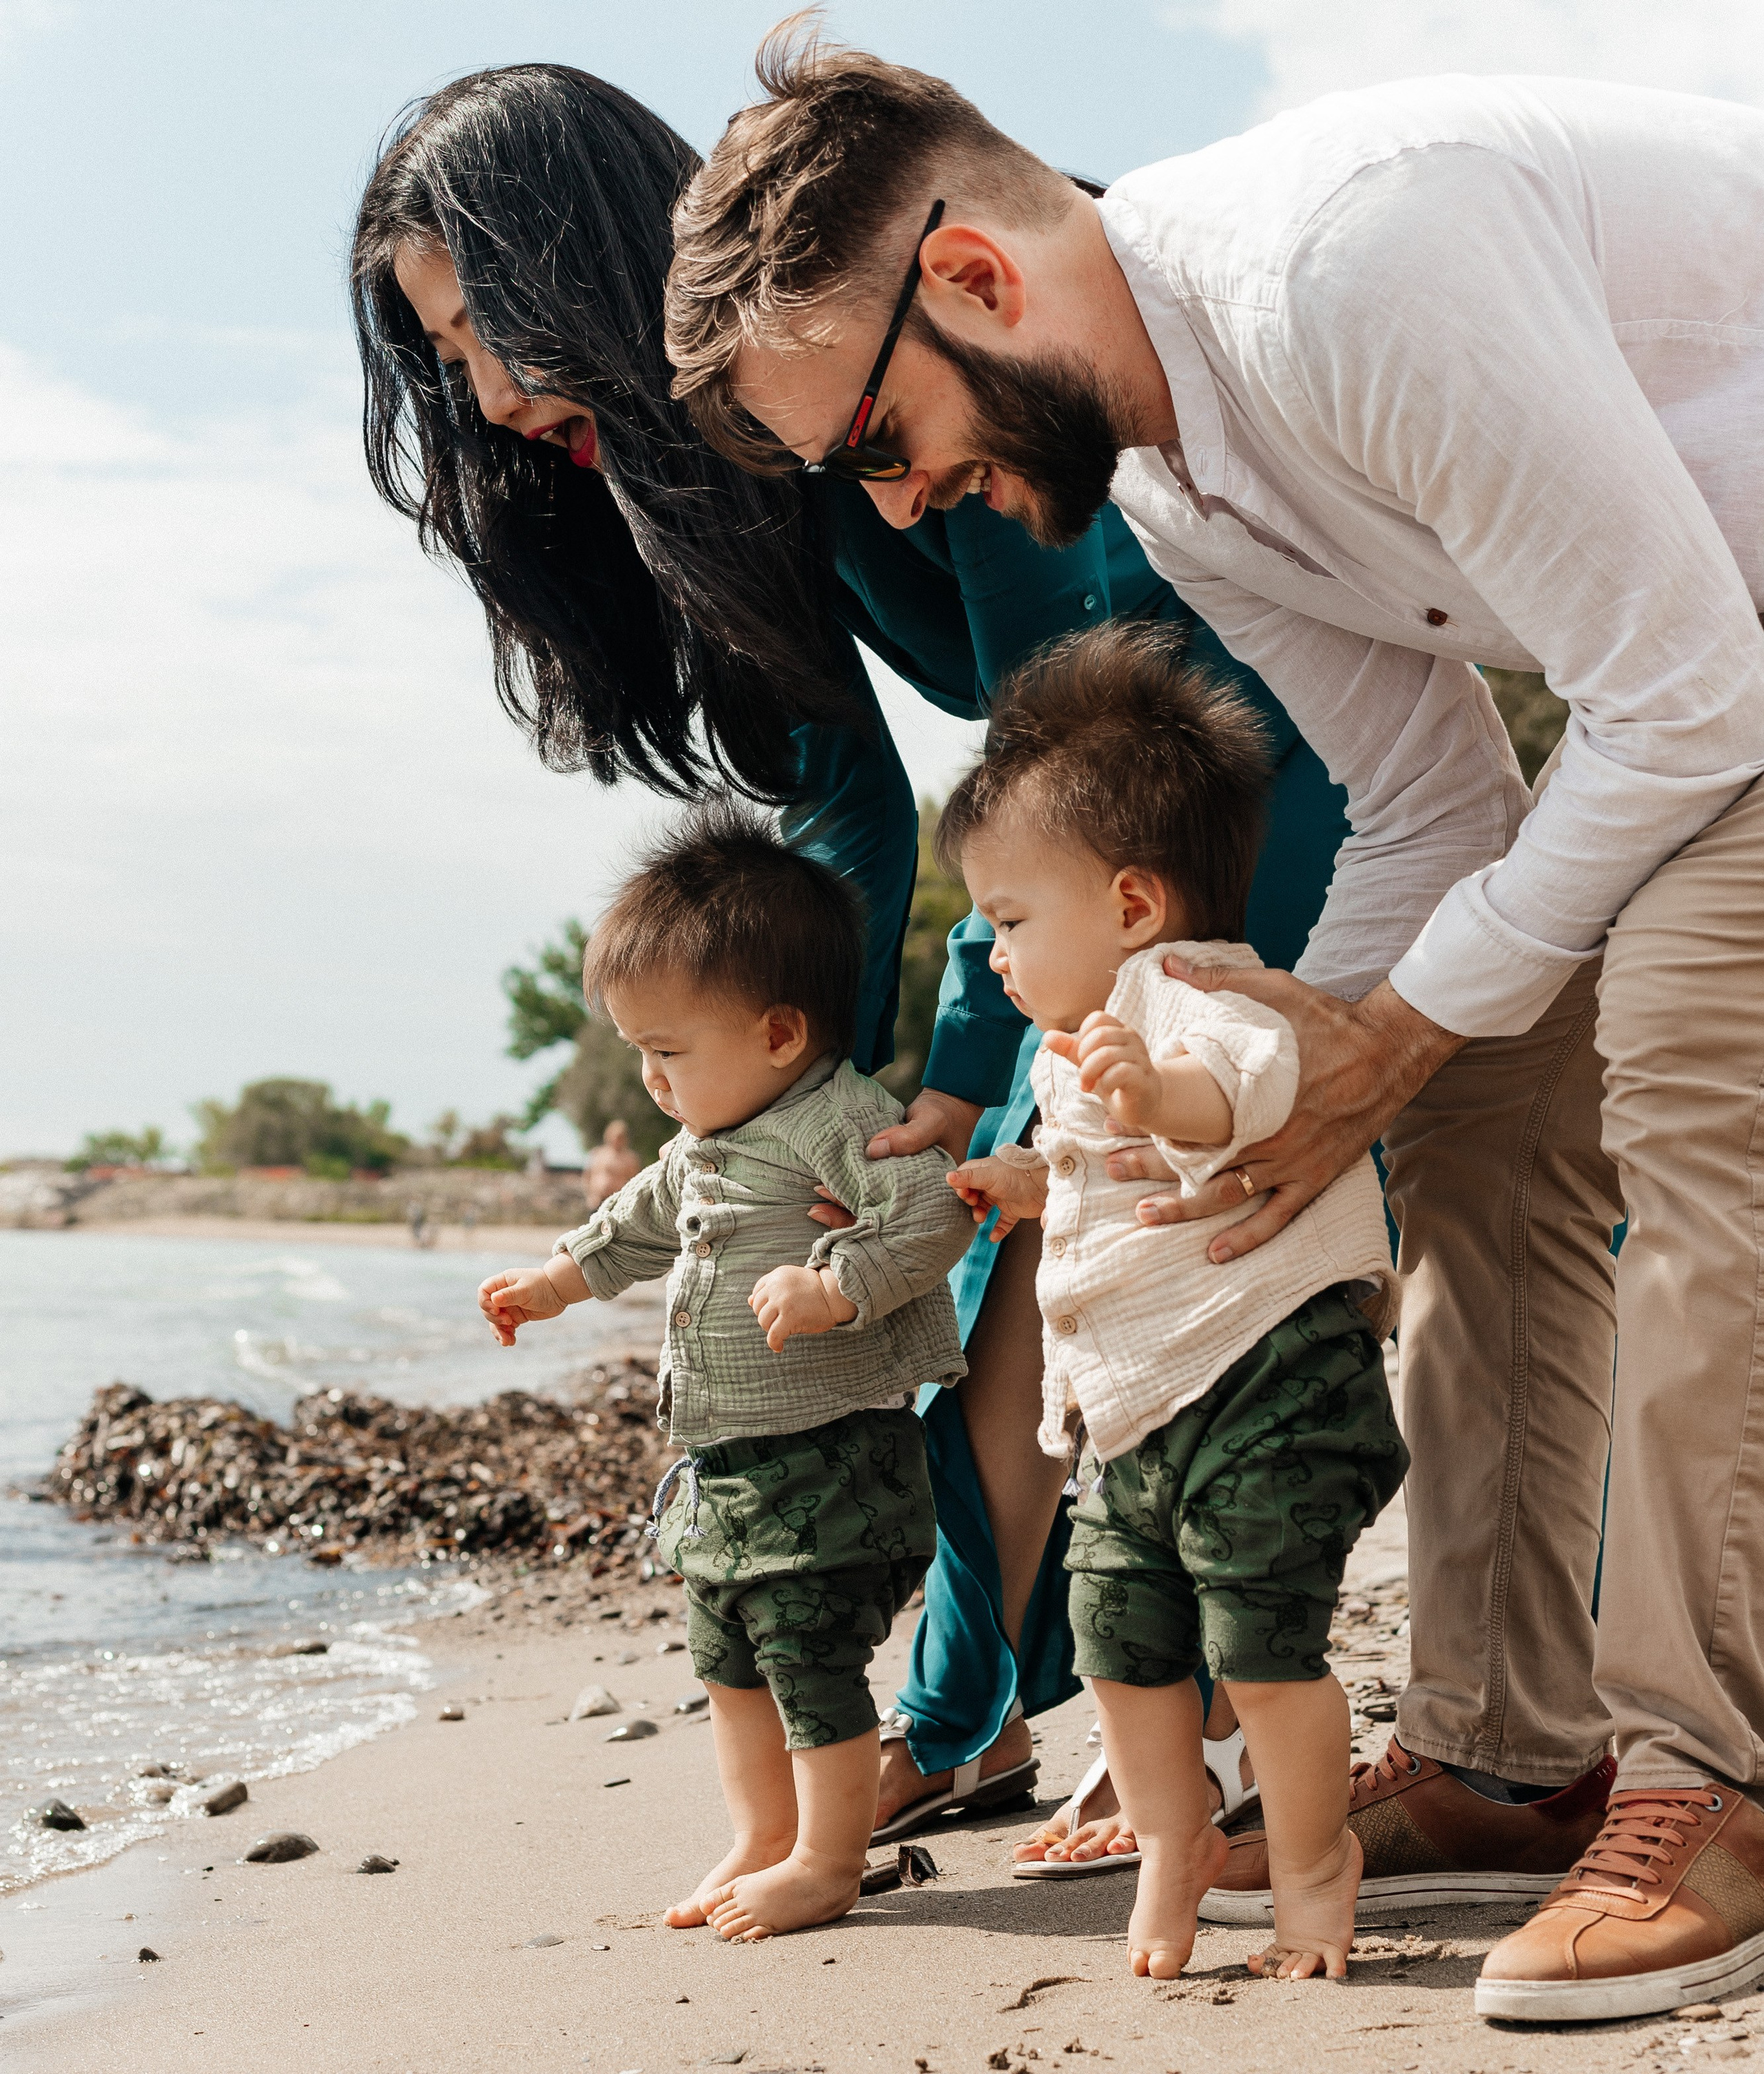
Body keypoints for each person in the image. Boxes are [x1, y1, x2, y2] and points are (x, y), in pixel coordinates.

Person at [662, 35, 1764, 2020]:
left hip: (1724, 669)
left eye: (879, 443)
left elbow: (1682, 693)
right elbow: (1440, 813)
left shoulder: (1353, 265)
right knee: (1473, 1108)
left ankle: (1718, 1776)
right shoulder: (1178, 491)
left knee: (1685, 1056)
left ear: (977, 279)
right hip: (1705, 660)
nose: (910, 508)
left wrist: (1394, 1032)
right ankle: (1506, 1752)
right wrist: (1287, 1058)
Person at [349, 63, 1379, 1869]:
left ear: (583, 259)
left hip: (1230, 783)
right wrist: (806, 1107)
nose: (494, 398)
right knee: (981, 1245)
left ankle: (1178, 1715)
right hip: (1066, 835)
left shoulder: (863, 339)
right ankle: (997, 1719)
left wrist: (968, 1071)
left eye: (493, 329)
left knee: (1133, 1247)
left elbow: (1074, 710)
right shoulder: (690, 477)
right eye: (446, 365)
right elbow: (843, 810)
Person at [945, 623, 1406, 1980]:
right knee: (1121, 1650)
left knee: (1261, 1653)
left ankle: (1316, 1867)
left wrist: (1166, 1096)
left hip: (1266, 1389)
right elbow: (1104, 1168)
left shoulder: (1192, 991)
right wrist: (1032, 1184)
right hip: (1137, 1424)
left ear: (1134, 906)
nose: (993, 953)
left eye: (1011, 921)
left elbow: (1247, 1082)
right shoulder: (1066, 1048)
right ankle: (1171, 1843)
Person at [478, 803, 974, 1940]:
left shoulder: (841, 1121)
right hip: (729, 1468)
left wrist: (839, 1281)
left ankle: (827, 1860)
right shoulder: (699, 1144)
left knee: (807, 1663)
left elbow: (932, 1211)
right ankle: (760, 1836)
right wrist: (551, 1282)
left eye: (666, 1053)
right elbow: (634, 1223)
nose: (652, 1082)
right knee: (729, 1661)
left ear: (780, 1034)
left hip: (834, 1454)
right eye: (638, 1054)